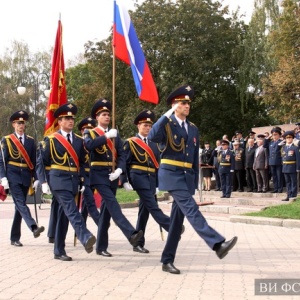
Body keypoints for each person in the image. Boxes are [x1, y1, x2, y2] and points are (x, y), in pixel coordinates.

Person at [148, 85, 237, 274]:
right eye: (183, 103)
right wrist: (165, 115)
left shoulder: (193, 128)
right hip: (172, 175)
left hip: (187, 177)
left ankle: (167, 260)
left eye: (188, 103)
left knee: (175, 222)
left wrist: (195, 182)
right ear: (174, 105)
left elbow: (193, 158)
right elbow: (152, 136)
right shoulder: (166, 124)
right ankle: (217, 244)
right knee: (192, 209)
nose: (187, 106)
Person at [83, 99, 143, 257]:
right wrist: (106, 137)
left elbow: (122, 154)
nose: (107, 117)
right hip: (98, 174)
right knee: (112, 203)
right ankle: (131, 233)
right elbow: (88, 146)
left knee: (105, 213)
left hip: (112, 175)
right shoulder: (90, 132)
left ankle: (101, 247)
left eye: (108, 114)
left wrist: (119, 170)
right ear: (97, 117)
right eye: (103, 114)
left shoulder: (115, 134)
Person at [37, 103, 96, 261]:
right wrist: (43, 182)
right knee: (72, 210)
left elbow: (83, 163)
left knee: (64, 216)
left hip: (73, 181)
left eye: (72, 118)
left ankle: (59, 250)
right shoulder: (50, 139)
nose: (70, 121)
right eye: (67, 118)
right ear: (60, 121)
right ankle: (85, 236)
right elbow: (41, 162)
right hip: (57, 181)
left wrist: (83, 180)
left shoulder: (78, 140)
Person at [122, 110, 171, 253]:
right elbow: (125, 162)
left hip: (150, 180)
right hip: (138, 178)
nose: (148, 128)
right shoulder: (130, 142)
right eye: (145, 125)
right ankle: (170, 225)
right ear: (138, 126)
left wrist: (157, 184)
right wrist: (124, 180)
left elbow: (157, 165)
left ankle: (137, 242)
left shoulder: (154, 143)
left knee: (144, 211)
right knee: (152, 206)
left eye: (150, 125)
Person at [0, 110, 44, 247]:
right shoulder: (7, 140)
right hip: (12, 175)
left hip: (25, 176)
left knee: (19, 207)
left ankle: (14, 237)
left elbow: (34, 161)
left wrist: (36, 178)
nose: (21, 125)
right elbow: (1, 161)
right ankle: (33, 227)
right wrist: (3, 177)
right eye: (18, 123)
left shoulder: (30, 141)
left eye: (23, 123)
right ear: (13, 124)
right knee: (20, 203)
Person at [77, 117, 100, 225]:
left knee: (86, 203)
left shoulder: (94, 143)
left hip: (93, 174)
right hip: (83, 175)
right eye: (86, 129)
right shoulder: (77, 143)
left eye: (91, 129)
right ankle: (101, 223)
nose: (88, 131)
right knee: (90, 201)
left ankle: (82, 228)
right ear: (82, 131)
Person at [281, 131, 300, 201]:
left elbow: (298, 158)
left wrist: (298, 168)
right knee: (288, 182)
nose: (288, 139)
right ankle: (288, 195)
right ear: (285, 139)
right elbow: (282, 157)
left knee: (293, 182)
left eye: (290, 137)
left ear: (292, 138)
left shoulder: (295, 148)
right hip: (285, 167)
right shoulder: (284, 147)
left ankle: (293, 195)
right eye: (287, 138)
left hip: (292, 167)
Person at [263, 127, 283, 193]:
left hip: (278, 161)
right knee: (274, 176)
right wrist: (269, 137)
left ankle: (280, 189)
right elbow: (264, 145)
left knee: (279, 176)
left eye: (276, 134)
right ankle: (275, 188)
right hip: (271, 162)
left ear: (279, 135)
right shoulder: (270, 142)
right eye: (273, 134)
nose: (274, 136)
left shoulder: (281, 142)